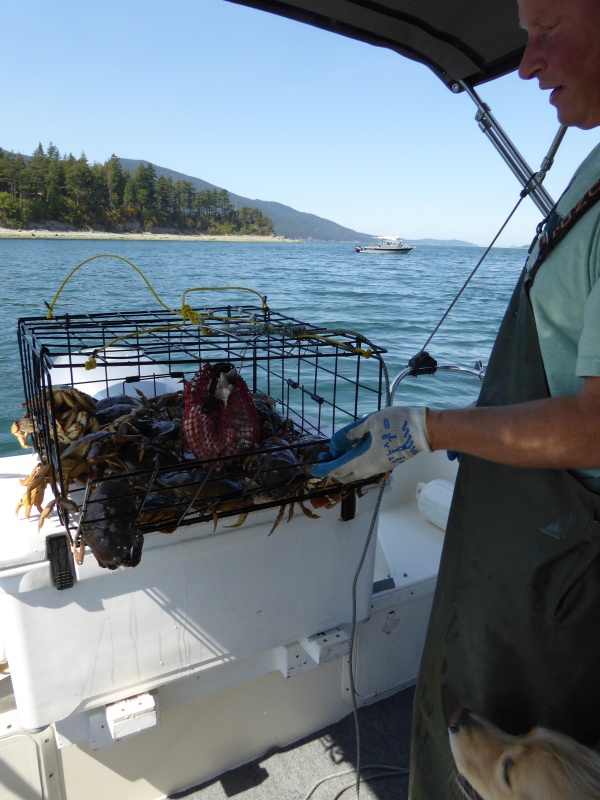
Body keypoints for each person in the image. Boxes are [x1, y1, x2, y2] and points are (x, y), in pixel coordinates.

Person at [311, 0, 600, 797]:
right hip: (521, 550)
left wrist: (423, 428)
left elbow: (596, 427)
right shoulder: (593, 166)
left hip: (564, 574)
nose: (528, 63)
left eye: (547, 29)